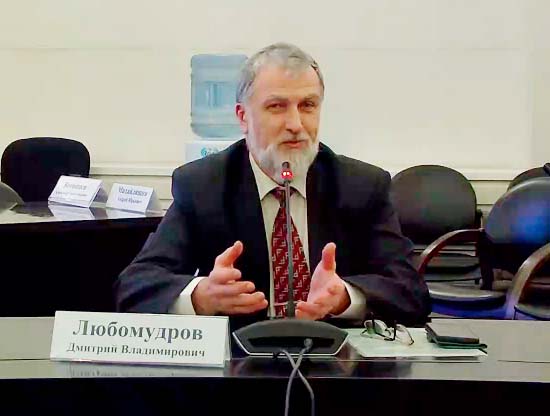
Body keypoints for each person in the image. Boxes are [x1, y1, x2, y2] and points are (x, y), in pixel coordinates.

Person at [115, 43, 430, 330]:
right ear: (243, 117)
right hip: (240, 360)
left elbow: (411, 291)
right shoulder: (202, 186)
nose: (295, 124)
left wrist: (344, 297)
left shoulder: (361, 186)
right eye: (277, 106)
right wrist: (202, 296)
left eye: (308, 105)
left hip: (333, 358)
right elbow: (134, 287)